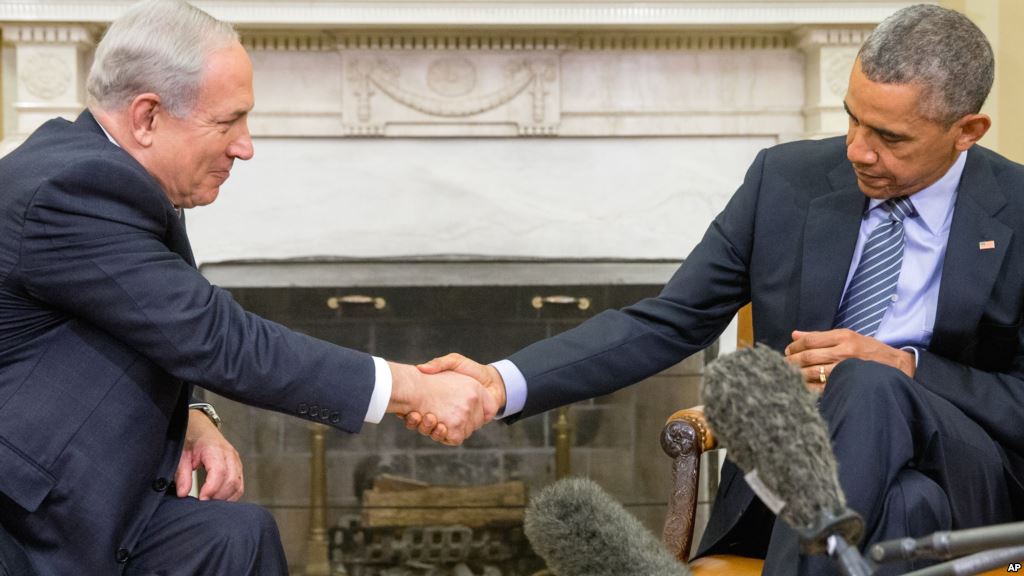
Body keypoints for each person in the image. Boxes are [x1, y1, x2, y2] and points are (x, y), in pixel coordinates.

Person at [409, 5, 1024, 575]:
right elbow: (667, 321)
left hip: (967, 476)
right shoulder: (786, 181)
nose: (857, 150)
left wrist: (905, 367)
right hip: (810, 485)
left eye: (889, 137)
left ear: (967, 130)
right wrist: (500, 381)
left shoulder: (1016, 211)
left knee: (868, 384)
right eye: (851, 118)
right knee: (905, 507)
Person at [0, 1, 496, 574]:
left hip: (82, 489)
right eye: (227, 121)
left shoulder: (104, 172)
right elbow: (215, 337)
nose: (245, 145)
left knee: (240, 534)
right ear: (147, 118)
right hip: (30, 526)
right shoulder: (75, 190)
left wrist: (194, 415)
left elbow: (142, 325)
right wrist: (411, 388)